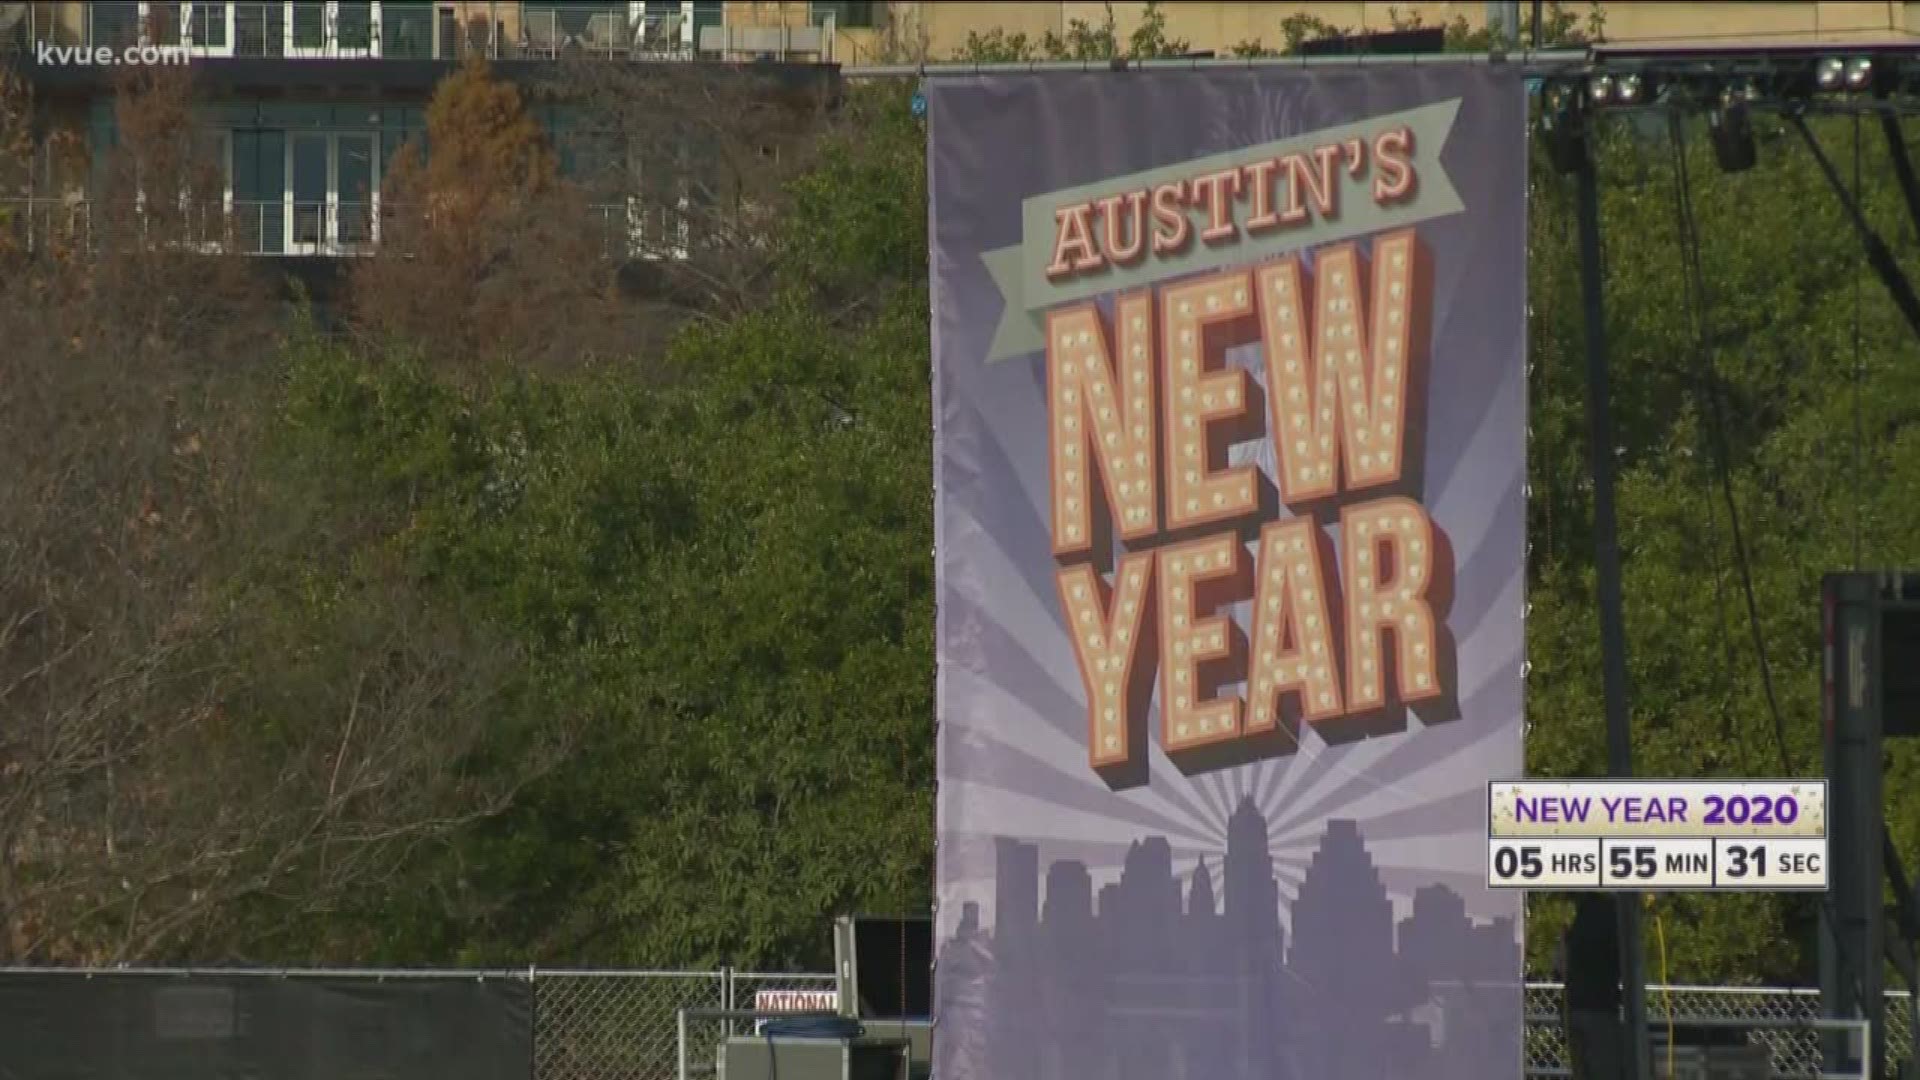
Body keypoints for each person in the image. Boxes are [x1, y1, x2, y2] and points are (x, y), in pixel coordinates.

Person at [1562, 894, 1625, 1079]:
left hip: (1576, 1005)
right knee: (1604, 1067)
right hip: (1600, 1007)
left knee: (1583, 1068)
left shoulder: (1580, 918)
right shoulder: (1609, 915)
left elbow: (1562, 965)